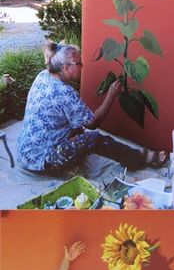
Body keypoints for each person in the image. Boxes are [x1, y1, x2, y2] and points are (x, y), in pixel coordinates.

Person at [17, 42, 166, 173]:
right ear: (66, 68)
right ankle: (137, 158)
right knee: (93, 138)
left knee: (79, 130)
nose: (82, 66)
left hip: (26, 153)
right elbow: (92, 124)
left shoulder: (43, 76)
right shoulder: (65, 93)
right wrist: (110, 95)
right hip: (41, 160)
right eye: (79, 63)